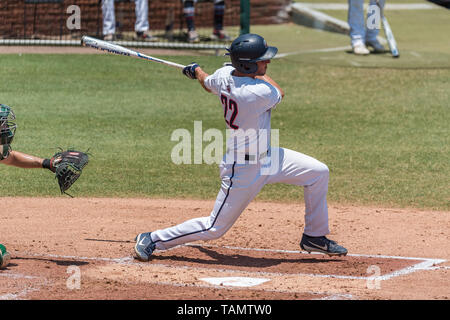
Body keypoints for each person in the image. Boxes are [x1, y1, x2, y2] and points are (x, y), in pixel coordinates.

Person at [134, 33, 348, 262]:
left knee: (318, 173)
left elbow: (208, 83)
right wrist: (243, 72)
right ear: (247, 65)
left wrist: (196, 71)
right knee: (214, 228)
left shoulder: (224, 75)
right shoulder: (255, 92)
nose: (267, 62)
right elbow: (280, 92)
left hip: (269, 159)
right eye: (263, 59)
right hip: (243, 169)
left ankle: (314, 236)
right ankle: (152, 238)